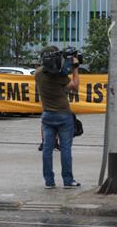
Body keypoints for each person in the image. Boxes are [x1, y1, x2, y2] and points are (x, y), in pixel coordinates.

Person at [35, 46, 81, 189]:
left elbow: (50, 72)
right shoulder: (61, 76)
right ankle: (68, 180)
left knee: (47, 149)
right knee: (65, 148)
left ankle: (49, 181)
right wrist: (75, 68)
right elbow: (75, 87)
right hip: (63, 115)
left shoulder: (38, 74)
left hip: (47, 115)